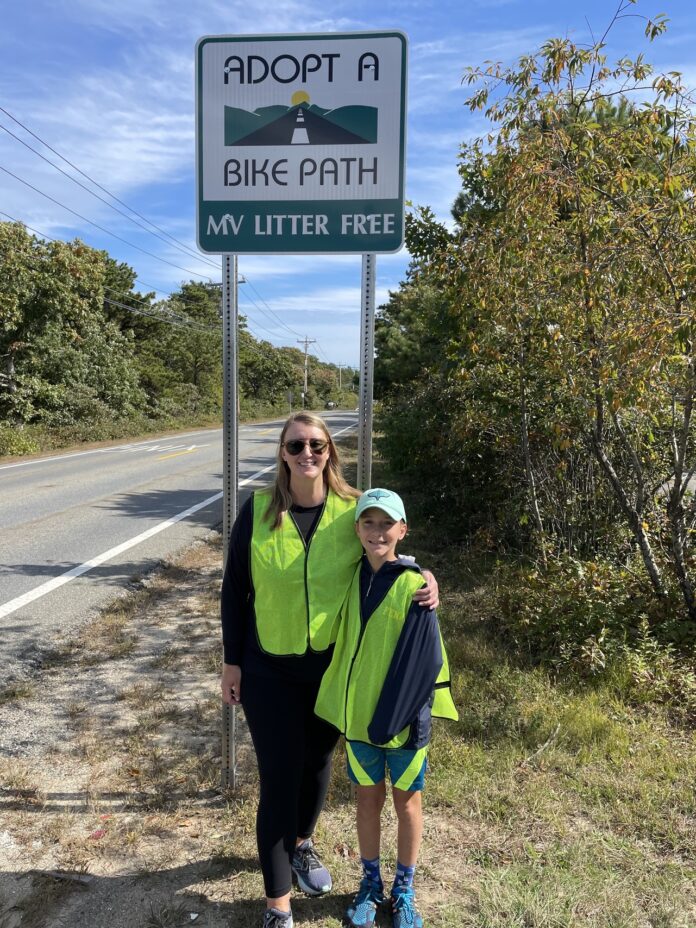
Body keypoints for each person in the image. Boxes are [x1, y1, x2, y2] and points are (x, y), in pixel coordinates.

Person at [220, 414, 439, 928]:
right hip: (267, 666)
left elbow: (385, 548)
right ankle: (278, 904)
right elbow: (235, 590)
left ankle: (300, 845)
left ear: (329, 452)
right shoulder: (255, 512)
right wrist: (232, 661)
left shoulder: (350, 510)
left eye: (317, 444)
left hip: (331, 667)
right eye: (296, 444)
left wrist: (425, 576)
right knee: (278, 776)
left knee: (317, 764)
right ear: (282, 452)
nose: (307, 452)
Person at [315, 487, 459, 928]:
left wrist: (426, 574)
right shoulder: (348, 576)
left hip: (404, 724)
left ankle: (404, 890)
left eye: (386, 523)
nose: (377, 532)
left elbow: (425, 661)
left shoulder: (416, 587)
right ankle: (370, 884)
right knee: (366, 801)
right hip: (359, 722)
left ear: (403, 529)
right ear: (356, 529)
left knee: (408, 804)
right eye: (368, 523)